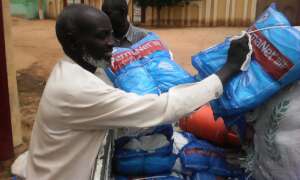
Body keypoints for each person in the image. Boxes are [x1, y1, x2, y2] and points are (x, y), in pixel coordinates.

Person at [12, 4, 249, 180]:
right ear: (74, 42)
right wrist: (226, 71)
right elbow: (161, 108)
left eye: (111, 33)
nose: (112, 43)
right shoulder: (77, 89)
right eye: (102, 36)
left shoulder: (78, 69)